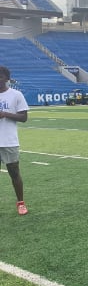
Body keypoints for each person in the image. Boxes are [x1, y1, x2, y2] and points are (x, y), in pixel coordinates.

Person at [0, 66, 29, 216]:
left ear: (6, 78)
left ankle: (21, 203)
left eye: (0, 76)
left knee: (14, 173)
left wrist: (5, 114)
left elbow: (24, 117)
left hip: (9, 141)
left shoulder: (16, 95)